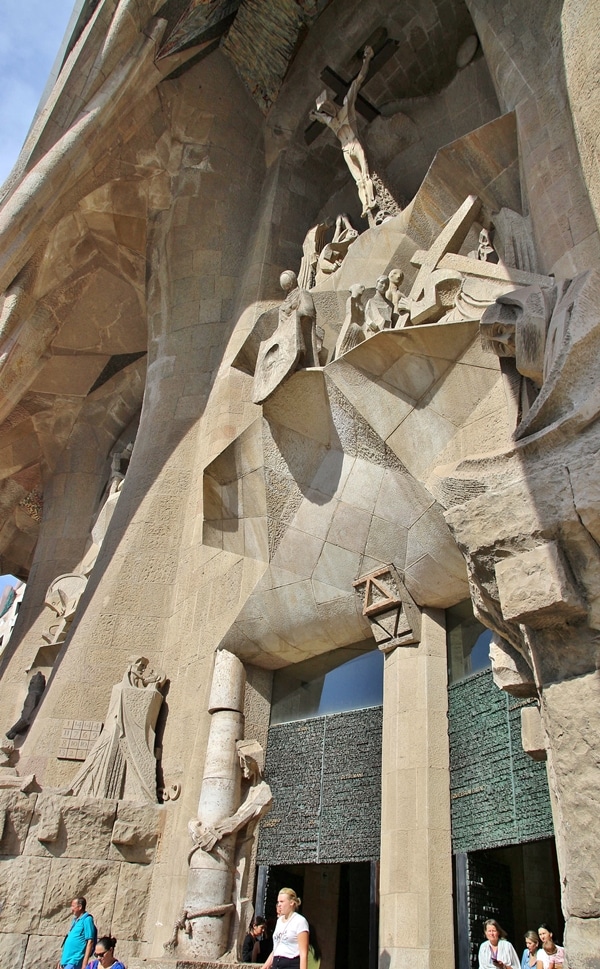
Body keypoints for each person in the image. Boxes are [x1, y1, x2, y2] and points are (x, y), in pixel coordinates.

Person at [310, 47, 377, 218]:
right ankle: (365, 206)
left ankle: (373, 200)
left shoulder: (347, 107)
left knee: (366, 174)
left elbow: (358, 82)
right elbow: (317, 117)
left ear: (331, 104)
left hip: (355, 143)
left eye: (326, 107)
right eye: (324, 110)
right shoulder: (332, 122)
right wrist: (314, 114)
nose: (326, 111)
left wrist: (367, 60)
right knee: (359, 181)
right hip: (346, 151)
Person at [262, 888, 309, 969]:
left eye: (282, 902)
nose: (279, 904)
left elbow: (303, 953)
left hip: (291, 963)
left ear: (291, 902)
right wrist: (265, 966)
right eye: (278, 902)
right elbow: (276, 948)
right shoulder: (279, 921)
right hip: (277, 963)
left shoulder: (300, 921)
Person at [57, 897, 97, 969]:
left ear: (80, 907)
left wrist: (85, 963)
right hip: (66, 961)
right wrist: (61, 961)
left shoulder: (87, 919)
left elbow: (90, 941)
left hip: (75, 961)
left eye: (73, 906)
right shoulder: (75, 921)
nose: (71, 909)